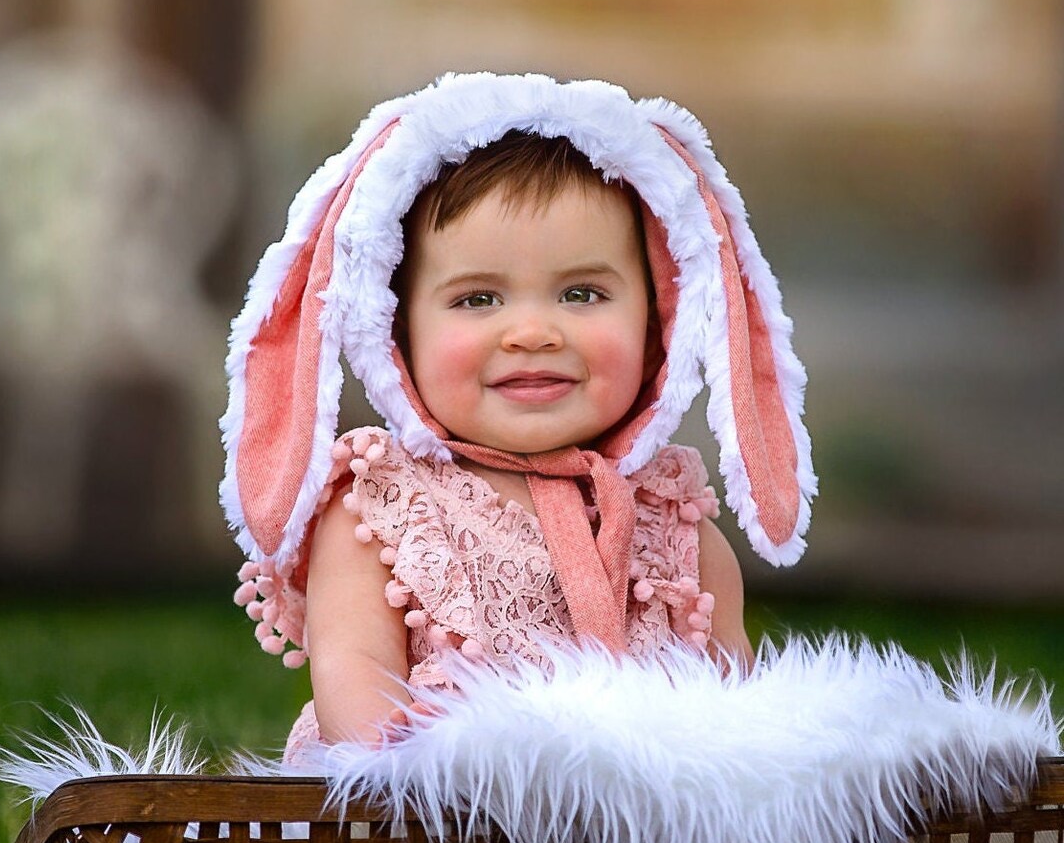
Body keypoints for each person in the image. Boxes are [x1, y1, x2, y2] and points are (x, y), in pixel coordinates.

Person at [221, 72, 816, 758]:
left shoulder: (677, 532)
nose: (532, 333)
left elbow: (738, 736)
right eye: (478, 299)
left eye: (583, 293)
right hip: (437, 817)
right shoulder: (377, 513)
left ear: (659, 323)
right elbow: (359, 715)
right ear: (396, 332)